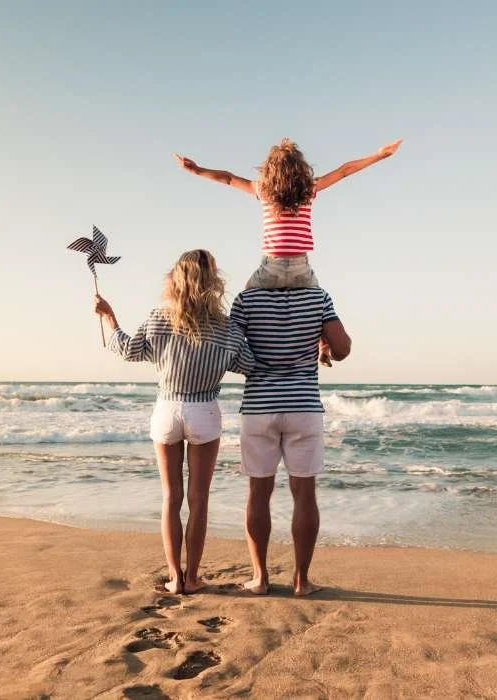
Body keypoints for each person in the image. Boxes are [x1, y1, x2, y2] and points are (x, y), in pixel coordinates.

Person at [94, 250, 255, 594]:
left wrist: (109, 317)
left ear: (176, 279)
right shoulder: (226, 327)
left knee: (171, 497)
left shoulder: (159, 319)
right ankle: (194, 577)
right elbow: (249, 365)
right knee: (199, 499)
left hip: (167, 410)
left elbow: (129, 350)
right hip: (205, 412)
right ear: (214, 281)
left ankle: (174, 578)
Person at [174, 137, 400, 365]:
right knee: (321, 307)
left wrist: (197, 170)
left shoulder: (262, 190)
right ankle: (323, 345)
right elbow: (344, 171)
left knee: (244, 299)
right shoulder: (309, 189)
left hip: (270, 268)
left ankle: (234, 349)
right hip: (300, 269)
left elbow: (229, 178)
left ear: (269, 170)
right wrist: (379, 155)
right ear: (301, 169)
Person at [228, 284, 351, 596]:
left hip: (258, 407)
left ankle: (259, 579)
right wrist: (321, 341)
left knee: (258, 492)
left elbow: (230, 351)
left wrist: (259, 359)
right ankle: (301, 581)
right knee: (305, 494)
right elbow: (343, 349)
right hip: (303, 406)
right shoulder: (318, 297)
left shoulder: (246, 299)